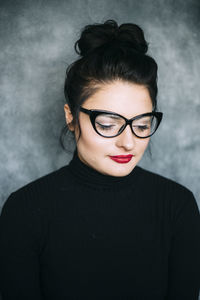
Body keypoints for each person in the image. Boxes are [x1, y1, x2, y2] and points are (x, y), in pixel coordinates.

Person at [0, 20, 200, 300]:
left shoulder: (178, 207)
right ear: (71, 117)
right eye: (107, 124)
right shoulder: (24, 212)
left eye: (142, 125)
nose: (128, 142)